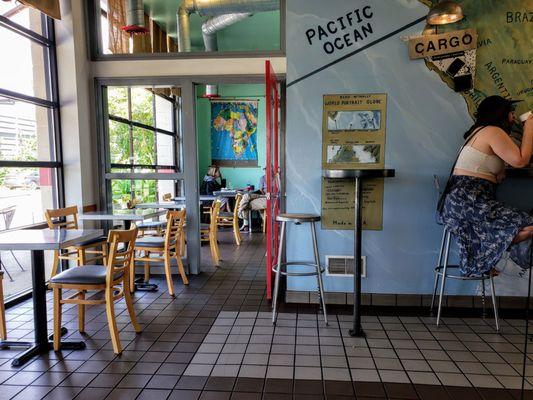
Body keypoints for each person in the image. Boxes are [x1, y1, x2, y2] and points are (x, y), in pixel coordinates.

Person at [438, 95, 533, 277]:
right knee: (528, 223)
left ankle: (479, 260)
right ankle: (482, 259)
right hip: (470, 201)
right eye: (511, 113)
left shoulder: (480, 132)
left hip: (459, 204)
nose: (513, 117)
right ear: (501, 114)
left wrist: (499, 171)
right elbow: (521, 161)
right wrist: (529, 127)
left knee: (518, 226)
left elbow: (486, 166)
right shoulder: (493, 131)